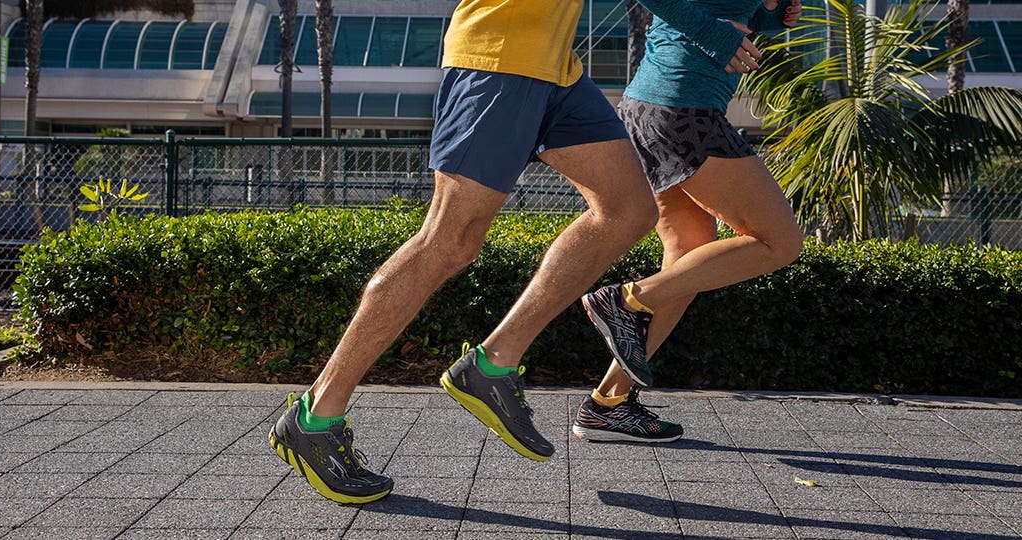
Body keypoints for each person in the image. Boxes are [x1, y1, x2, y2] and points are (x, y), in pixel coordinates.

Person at [269, 0, 662, 504]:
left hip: (556, 67)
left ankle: (493, 364)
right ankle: (316, 416)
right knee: (449, 241)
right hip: (499, 57)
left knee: (628, 210)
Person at [573, 0, 806, 443]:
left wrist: (768, 19)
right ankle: (626, 300)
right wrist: (719, 34)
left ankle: (608, 405)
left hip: (654, 107)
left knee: (690, 260)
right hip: (684, 108)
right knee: (780, 241)